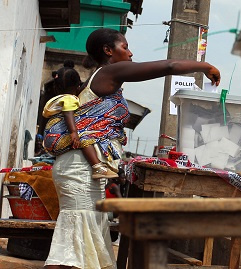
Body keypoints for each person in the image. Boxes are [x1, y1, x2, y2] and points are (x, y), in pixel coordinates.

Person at [44, 28, 221, 269]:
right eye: (124, 47)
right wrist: (204, 66)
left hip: (85, 169)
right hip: (79, 168)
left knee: (84, 247)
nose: (130, 53)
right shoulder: (110, 71)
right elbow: (169, 66)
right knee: (71, 249)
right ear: (108, 51)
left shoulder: (98, 78)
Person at [42, 60, 118, 179]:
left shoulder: (58, 99)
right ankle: (97, 166)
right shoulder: (69, 99)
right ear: (78, 86)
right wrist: (74, 132)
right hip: (56, 138)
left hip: (49, 138)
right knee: (85, 137)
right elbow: (68, 114)